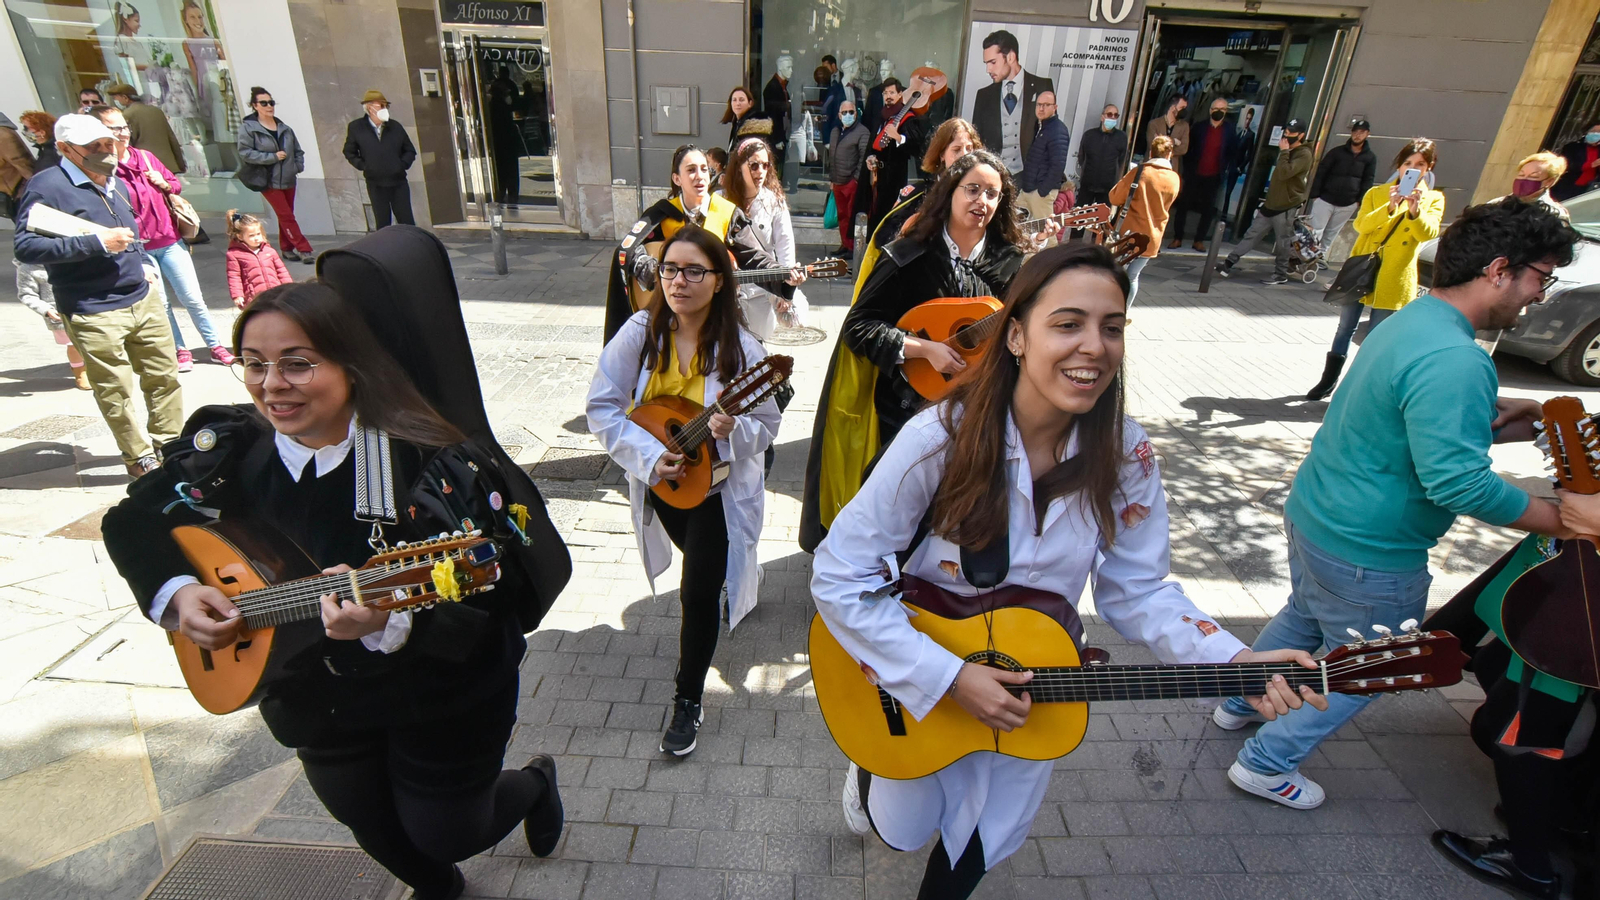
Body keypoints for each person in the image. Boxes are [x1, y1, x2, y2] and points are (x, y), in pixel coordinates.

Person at [813, 242, 1325, 900]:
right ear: (1018, 336)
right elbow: (839, 572)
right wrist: (947, 677)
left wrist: (1234, 660)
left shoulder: (1127, 452)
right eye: (1068, 323)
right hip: (920, 669)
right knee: (903, 828)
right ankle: (868, 769)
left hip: (1038, 683)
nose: (1095, 346)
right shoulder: (939, 438)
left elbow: (1137, 590)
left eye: (1112, 327)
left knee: (985, 837)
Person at [100, 281, 567, 900]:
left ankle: (534, 784)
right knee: (372, 825)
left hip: (441, 696)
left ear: (353, 364)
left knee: (447, 832)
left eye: (298, 363)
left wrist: (387, 623)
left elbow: (492, 608)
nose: (271, 385)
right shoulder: (227, 451)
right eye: (255, 363)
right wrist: (179, 593)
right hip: (312, 696)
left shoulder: (428, 466)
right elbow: (130, 520)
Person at [1216, 197, 1579, 810]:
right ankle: (1265, 762)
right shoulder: (1457, 358)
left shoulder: (1415, 320)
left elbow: (1407, 423)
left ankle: (1237, 701)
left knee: (1305, 616)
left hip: (1318, 516)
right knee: (1374, 667)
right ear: (1499, 269)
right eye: (1541, 276)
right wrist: (1565, 519)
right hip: (1370, 552)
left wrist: (1495, 424)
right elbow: (1460, 485)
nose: (1540, 294)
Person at [587, 226, 780, 756]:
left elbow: (767, 424)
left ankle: (688, 698)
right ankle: (727, 572)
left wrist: (732, 431)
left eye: (695, 271)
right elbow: (601, 407)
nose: (678, 281)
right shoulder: (640, 332)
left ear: (719, 281)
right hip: (664, 483)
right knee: (701, 567)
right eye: (670, 269)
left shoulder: (743, 348)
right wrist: (651, 458)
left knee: (697, 595)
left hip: (717, 493)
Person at [1424, 526, 1598, 900]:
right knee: (1504, 695)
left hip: (1576, 624)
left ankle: (1531, 868)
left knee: (1525, 731)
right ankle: (1559, 818)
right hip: (1564, 599)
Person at [13, 114, 182, 478]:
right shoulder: (48, 186)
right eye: (95, 147)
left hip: (142, 296)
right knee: (114, 389)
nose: (106, 152)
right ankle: (139, 458)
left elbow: (129, 228)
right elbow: (26, 246)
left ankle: (170, 445)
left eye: (108, 144)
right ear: (65, 149)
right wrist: (95, 243)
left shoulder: (113, 179)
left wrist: (144, 264)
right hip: (93, 308)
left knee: (164, 377)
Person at [844, 150, 1025, 446]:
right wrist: (925, 349)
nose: (983, 200)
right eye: (973, 189)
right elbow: (859, 327)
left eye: (993, 194)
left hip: (980, 413)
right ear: (950, 191)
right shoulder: (908, 256)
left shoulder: (1011, 263)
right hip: (908, 411)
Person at [91, 103, 232, 372]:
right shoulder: (103, 169)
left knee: (192, 297)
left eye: (124, 126)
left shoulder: (144, 158)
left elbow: (175, 185)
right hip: (137, 248)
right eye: (115, 128)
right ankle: (180, 350)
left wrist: (164, 183)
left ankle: (215, 346)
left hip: (168, 240)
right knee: (162, 304)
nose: (123, 133)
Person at [604, 145, 793, 342]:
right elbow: (627, 250)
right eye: (691, 170)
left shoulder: (727, 214)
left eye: (704, 169)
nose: (700, 176)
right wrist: (655, 272)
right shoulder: (662, 215)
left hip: (713, 316)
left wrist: (784, 277)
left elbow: (751, 257)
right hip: (670, 315)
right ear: (677, 179)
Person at [1304, 139, 1445, 401]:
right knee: (1345, 328)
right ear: (1399, 165)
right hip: (1364, 268)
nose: (1411, 169)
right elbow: (1361, 226)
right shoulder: (1377, 194)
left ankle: (1356, 389)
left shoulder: (1433, 198)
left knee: (1377, 338)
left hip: (1395, 274)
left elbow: (1429, 232)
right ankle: (1327, 381)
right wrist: (1390, 207)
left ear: (1428, 168)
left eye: (1419, 165)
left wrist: (1415, 211)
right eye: (1407, 164)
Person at [720, 137, 808, 339]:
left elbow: (785, 243)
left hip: (762, 287)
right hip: (728, 289)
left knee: (757, 347)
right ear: (739, 166)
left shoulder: (773, 201)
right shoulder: (722, 200)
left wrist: (786, 286)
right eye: (754, 165)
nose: (760, 172)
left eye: (765, 165)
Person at [1216, 117, 1314, 284]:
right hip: (1271, 204)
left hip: (1285, 207)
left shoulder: (1303, 154)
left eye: (1291, 133)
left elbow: (1284, 173)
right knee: (1252, 234)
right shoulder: (1289, 150)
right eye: (1286, 131)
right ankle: (1229, 263)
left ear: (1301, 135)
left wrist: (1284, 152)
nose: (1287, 135)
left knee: (1283, 242)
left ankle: (1281, 274)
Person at [238, 87, 315, 265]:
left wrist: (297, 166)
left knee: (287, 215)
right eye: (263, 103)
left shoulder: (285, 128)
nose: (269, 106)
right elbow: (245, 153)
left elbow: (298, 151)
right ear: (254, 106)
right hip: (268, 179)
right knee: (286, 215)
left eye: (271, 102)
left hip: (288, 177)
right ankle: (304, 249)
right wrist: (271, 157)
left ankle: (286, 248)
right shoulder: (249, 129)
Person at [1108, 134, 1180, 306]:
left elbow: (1114, 198)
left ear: (1150, 152)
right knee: (1133, 277)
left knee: (1116, 276)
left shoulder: (1140, 172)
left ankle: (1109, 311)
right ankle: (1124, 314)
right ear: (1170, 154)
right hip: (1153, 236)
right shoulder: (1174, 178)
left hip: (1129, 234)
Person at [972, 30, 1053, 177]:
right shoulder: (984, 95)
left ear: (1010, 57)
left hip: (1030, 178)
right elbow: (977, 141)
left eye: (993, 62)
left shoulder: (1043, 87)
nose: (988, 69)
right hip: (994, 177)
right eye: (986, 63)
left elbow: (1051, 135)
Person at [1167, 98, 1237, 251]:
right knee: (1183, 206)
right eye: (1216, 108)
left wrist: (1226, 168)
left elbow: (1232, 151)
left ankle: (1199, 240)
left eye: (1223, 109)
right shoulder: (1199, 127)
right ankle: (1177, 238)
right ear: (1210, 110)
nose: (1219, 112)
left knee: (1208, 209)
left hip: (1214, 175)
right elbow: (1188, 149)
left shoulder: (1230, 130)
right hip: (1194, 173)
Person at [343, 90, 418, 228]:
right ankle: (386, 248)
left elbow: (409, 150)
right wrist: (365, 166)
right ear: (369, 108)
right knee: (382, 222)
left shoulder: (395, 127)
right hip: (375, 182)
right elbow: (349, 151)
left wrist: (401, 165)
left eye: (385, 106)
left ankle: (411, 247)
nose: (384, 109)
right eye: (380, 106)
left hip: (398, 181)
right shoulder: (356, 127)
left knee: (406, 220)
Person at [14, 260, 89, 389]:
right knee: (73, 345)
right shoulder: (28, 268)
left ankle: (94, 367)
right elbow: (27, 294)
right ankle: (80, 372)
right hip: (59, 314)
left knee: (92, 341)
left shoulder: (73, 258)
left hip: (86, 307)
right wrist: (46, 309)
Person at [1306, 118, 1377, 253]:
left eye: (1361, 132)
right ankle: (1306, 255)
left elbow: (1368, 180)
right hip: (1325, 199)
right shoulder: (1336, 152)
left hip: (1348, 202)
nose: (1357, 135)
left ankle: (1321, 256)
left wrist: (1359, 201)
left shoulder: (1370, 157)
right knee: (1315, 229)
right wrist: (1315, 195)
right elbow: (1321, 172)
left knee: (1332, 232)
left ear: (1367, 134)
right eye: (1355, 131)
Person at [860, 79, 918, 237]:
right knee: (874, 212)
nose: (888, 96)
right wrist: (871, 156)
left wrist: (898, 137)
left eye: (892, 92)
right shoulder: (882, 115)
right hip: (877, 174)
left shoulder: (909, 117)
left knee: (889, 215)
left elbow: (915, 146)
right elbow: (875, 143)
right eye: (885, 93)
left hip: (894, 175)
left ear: (900, 94)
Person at [105, 83, 187, 176]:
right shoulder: (156, 111)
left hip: (148, 167)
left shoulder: (127, 115)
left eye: (116, 98)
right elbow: (171, 138)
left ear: (125, 97)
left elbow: (128, 143)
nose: (115, 101)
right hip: (168, 164)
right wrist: (180, 163)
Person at [1016, 90, 1070, 223]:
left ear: (1055, 108)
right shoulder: (1041, 126)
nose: (1041, 108)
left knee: (1046, 235)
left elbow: (1058, 165)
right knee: (1014, 225)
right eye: (1039, 104)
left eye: (1046, 105)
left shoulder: (1057, 130)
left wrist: (1042, 191)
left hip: (1040, 192)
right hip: (1028, 189)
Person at [827, 99, 869, 258]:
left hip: (851, 182)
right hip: (837, 181)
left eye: (851, 112)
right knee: (842, 216)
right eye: (844, 112)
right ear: (839, 115)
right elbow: (831, 157)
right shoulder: (835, 131)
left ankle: (853, 248)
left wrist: (856, 179)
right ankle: (845, 244)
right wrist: (832, 179)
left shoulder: (862, 132)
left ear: (856, 113)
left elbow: (863, 157)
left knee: (852, 215)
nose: (848, 115)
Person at [226, 210, 293, 308]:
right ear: (240, 236)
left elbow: (281, 271)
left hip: (276, 294)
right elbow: (234, 277)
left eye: (258, 234)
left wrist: (289, 287)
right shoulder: (234, 254)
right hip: (254, 298)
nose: (257, 238)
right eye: (251, 236)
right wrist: (237, 295)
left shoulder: (269, 251)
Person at [1076, 104, 1128, 211]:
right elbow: (1082, 157)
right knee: (1079, 218)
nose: (1112, 117)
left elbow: (1121, 160)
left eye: (1115, 115)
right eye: (1109, 114)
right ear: (1102, 117)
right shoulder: (1089, 135)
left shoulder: (1121, 137)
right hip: (1087, 184)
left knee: (1101, 221)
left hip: (1107, 187)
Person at [487, 64, 523, 204]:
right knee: (510, 168)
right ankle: (511, 193)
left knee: (501, 168)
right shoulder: (501, 105)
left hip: (498, 140)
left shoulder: (493, 105)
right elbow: (515, 105)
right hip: (506, 139)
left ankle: (501, 193)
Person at [1221, 106, 1258, 227]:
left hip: (1236, 166)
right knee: (1225, 190)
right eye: (1246, 118)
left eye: (1249, 119)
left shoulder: (1250, 135)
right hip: (1230, 164)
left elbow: (1249, 154)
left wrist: (1240, 167)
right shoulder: (1239, 132)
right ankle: (1223, 213)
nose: (1247, 121)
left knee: (1228, 192)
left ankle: (1224, 215)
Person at [1508, 150, 1570, 219]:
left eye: (1533, 177)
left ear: (1549, 181)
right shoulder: (1498, 203)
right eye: (1521, 175)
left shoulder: (1554, 215)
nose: (1524, 180)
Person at [1552, 121, 1600, 202]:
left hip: (1588, 189)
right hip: (1567, 186)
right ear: (1587, 132)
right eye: (1594, 131)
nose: (1596, 134)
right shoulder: (1573, 147)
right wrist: (1591, 164)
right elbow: (1567, 165)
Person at [722, 87, 775, 156]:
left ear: (750, 103)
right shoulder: (737, 123)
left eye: (741, 100)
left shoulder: (755, 126)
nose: (737, 103)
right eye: (734, 100)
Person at [0, 111, 34, 215]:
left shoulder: (2, 135)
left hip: (19, 194)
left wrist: (38, 189)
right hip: (10, 195)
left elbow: (23, 162)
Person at [1146, 97, 1189, 175]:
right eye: (1182, 107)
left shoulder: (1184, 126)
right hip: (1153, 168)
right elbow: (1152, 146)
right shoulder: (1154, 124)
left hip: (1172, 169)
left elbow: (1183, 149)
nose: (1184, 111)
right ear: (1173, 108)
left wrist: (1162, 145)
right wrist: (1174, 141)